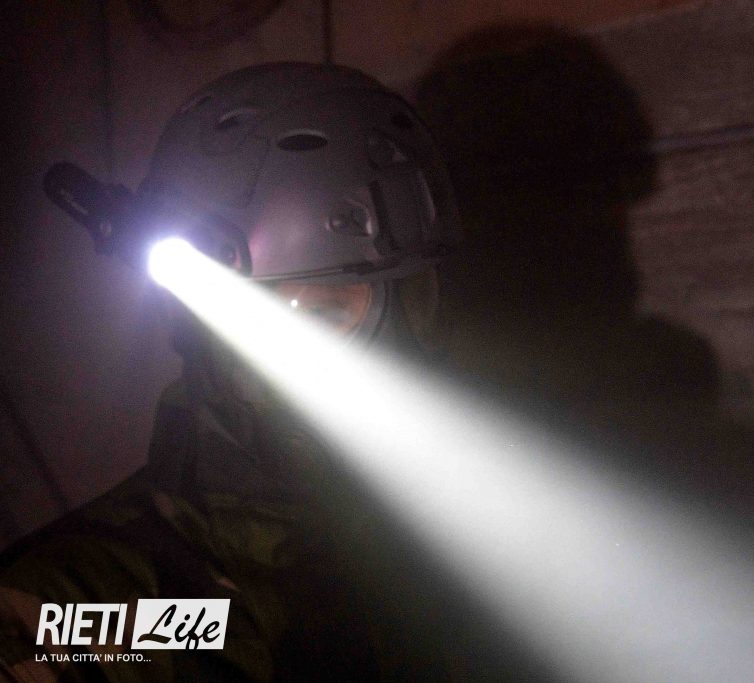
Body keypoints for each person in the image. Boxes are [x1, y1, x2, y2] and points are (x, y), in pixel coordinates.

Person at [0, 62, 465, 682]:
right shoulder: (71, 614)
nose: (391, 360)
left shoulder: (472, 557)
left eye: (414, 301)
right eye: (316, 313)